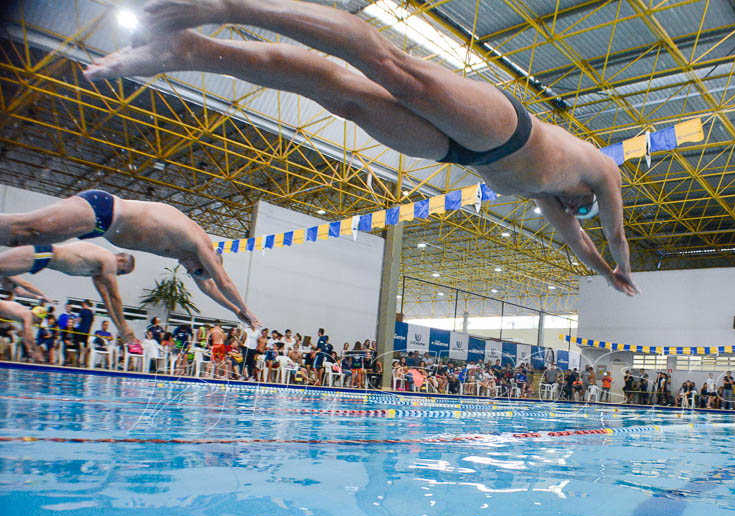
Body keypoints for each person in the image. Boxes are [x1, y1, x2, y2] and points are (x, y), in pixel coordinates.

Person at [84, 0, 639, 297]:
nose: (574, 212)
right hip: (504, 128)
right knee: (391, 69)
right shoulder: (595, 166)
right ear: (585, 195)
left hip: (458, 153)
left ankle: (190, 50)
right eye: (580, 205)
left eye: (576, 212)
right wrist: (624, 266)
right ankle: (228, 6)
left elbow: (583, 245)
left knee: (339, 96)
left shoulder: (547, 195)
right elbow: (612, 233)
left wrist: (604, 275)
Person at [0, 191, 261, 327]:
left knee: (21, 238)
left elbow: (210, 289)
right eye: (199, 271)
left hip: (102, 224)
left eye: (195, 274)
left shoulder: (185, 255)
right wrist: (248, 310)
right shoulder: (200, 241)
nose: (193, 273)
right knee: (24, 229)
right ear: (207, 261)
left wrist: (236, 312)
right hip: (104, 209)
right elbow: (222, 281)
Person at [0, 242, 137, 342]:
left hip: (43, 260)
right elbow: (115, 297)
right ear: (122, 259)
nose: (119, 275)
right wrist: (124, 326)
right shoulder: (107, 259)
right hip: (44, 252)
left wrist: (119, 327)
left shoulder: (98, 272)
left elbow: (107, 301)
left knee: (9, 284)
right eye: (123, 271)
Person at [0, 293, 44, 361]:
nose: (35, 323)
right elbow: (29, 336)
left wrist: (29, 349)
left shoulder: (24, 315)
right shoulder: (28, 314)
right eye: (38, 321)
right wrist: (37, 351)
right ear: (37, 316)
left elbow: (25, 336)